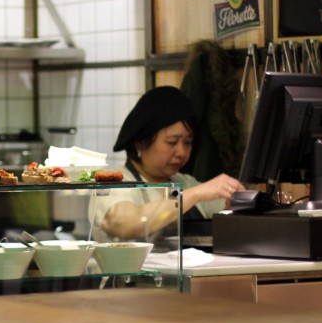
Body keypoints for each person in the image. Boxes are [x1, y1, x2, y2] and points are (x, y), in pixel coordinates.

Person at [91, 86, 245, 242]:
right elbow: (127, 224)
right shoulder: (113, 184)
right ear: (141, 142)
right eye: (172, 142)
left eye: (188, 142)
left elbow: (223, 214)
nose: (181, 152)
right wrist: (195, 194)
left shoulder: (184, 182)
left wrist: (231, 207)